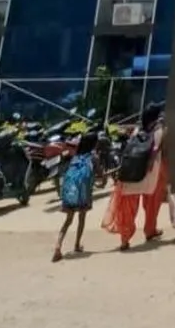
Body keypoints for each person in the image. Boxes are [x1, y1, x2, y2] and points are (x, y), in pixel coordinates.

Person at [102, 103, 168, 251]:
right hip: (151, 173)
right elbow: (157, 150)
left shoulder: (137, 130)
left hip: (132, 172)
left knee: (128, 208)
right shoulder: (159, 130)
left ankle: (125, 240)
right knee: (152, 205)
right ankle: (150, 230)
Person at [53, 132, 98, 263]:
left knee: (68, 220)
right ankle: (77, 244)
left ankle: (58, 246)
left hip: (71, 191)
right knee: (81, 218)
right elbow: (100, 174)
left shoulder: (75, 156)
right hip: (84, 192)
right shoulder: (93, 157)